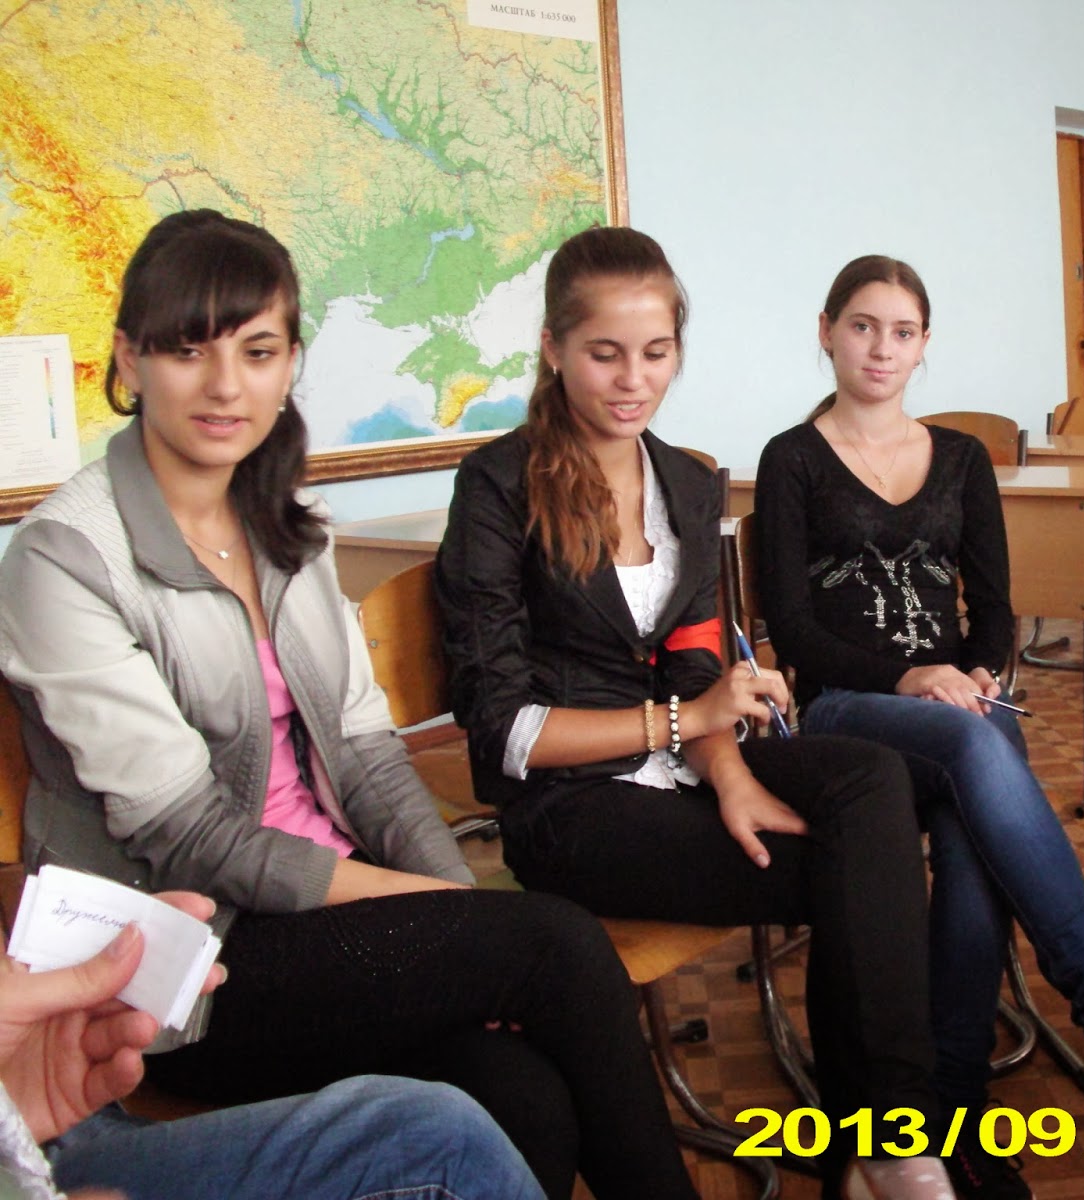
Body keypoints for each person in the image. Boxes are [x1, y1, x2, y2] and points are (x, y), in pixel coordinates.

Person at [0, 209, 699, 1200]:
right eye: (189, 350)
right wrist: (445, 914)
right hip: (190, 965)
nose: (226, 384)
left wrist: (451, 914)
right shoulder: (65, 557)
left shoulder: (290, 526)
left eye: (257, 351)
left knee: (522, 1095)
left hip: (331, 922)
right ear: (128, 359)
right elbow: (190, 834)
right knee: (557, 944)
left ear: (290, 363)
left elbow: (369, 758)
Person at [434, 225, 956, 1200]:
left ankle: (882, 1141)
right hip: (569, 806)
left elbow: (693, 659)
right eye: (605, 353)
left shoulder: (682, 478)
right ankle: (883, 1142)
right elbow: (501, 729)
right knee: (858, 871)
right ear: (552, 348)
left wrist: (729, 773)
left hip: (680, 767)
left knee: (870, 780)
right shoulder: (498, 485)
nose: (633, 380)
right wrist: (681, 729)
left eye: (656, 351)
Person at [753, 255, 1084, 1197]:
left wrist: (977, 672)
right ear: (826, 332)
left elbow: (992, 608)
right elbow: (795, 631)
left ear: (924, 346)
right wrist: (913, 676)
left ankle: (948, 1105)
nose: (881, 348)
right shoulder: (791, 460)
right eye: (863, 326)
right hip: (846, 707)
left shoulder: (962, 458)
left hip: (955, 705)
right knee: (982, 745)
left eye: (902, 332)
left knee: (969, 821)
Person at [0, 891, 541, 1200]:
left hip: (40, 1101)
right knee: (441, 1138)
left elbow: (372, 772)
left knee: (505, 1072)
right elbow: (201, 833)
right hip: (244, 920)